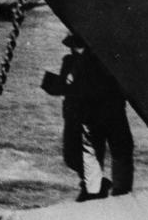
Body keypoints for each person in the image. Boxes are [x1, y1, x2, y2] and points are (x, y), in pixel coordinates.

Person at [52, 34, 133, 201]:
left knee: (119, 150)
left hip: (108, 111)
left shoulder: (104, 60)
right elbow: (65, 88)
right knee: (77, 155)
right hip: (85, 114)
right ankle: (96, 188)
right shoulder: (70, 62)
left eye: (77, 45)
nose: (74, 49)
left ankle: (117, 192)